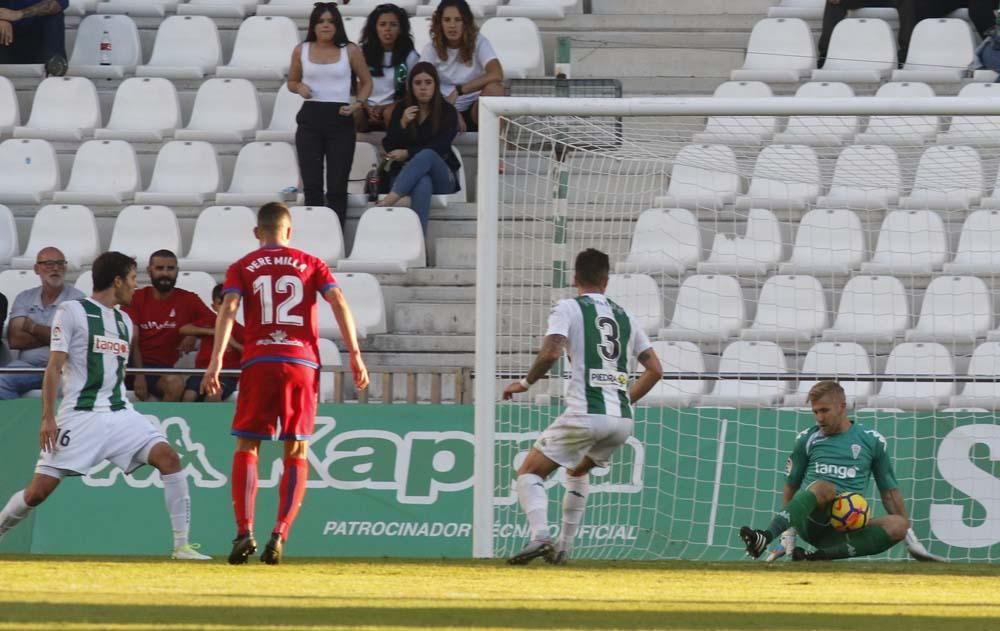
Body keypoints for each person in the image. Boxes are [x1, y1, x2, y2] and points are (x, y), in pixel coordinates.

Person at [0, 251, 210, 560]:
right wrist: (47, 416)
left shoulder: (125, 320)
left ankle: (182, 546)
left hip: (120, 413)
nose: (135, 286)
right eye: (131, 279)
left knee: (169, 458)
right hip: (80, 416)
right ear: (117, 280)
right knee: (37, 492)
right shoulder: (72, 311)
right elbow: (53, 366)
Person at [201, 201, 369, 566]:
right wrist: (354, 352)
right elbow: (338, 300)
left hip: (259, 360)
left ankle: (244, 530)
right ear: (289, 232)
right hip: (301, 362)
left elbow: (228, 308)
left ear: (257, 233)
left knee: (248, 444)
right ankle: (279, 534)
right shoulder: (312, 263)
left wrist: (215, 359)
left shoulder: (242, 266)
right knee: (296, 449)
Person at [502, 248, 663, 565]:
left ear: (574, 278)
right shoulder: (626, 316)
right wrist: (621, 400)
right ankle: (563, 548)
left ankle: (540, 537)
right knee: (576, 471)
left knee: (529, 473)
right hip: (621, 422)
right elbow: (656, 370)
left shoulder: (568, 307)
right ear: (606, 280)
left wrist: (524, 383)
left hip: (585, 414)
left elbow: (550, 354)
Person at [740, 380, 915, 562]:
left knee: (900, 525)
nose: (819, 418)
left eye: (824, 410)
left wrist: (909, 538)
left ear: (842, 407)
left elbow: (889, 493)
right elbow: (791, 487)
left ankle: (814, 557)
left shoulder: (872, 441)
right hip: (812, 522)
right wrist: (787, 536)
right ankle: (764, 537)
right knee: (825, 487)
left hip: (847, 526)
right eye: (815, 412)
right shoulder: (807, 439)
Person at [287, 2, 373, 228]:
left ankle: (336, 235)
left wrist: (358, 104)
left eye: (331, 21)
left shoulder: (350, 50)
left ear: (337, 25)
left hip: (340, 119)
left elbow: (366, 82)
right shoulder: (301, 50)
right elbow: (292, 81)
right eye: (321, 21)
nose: (326, 26)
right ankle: (315, 235)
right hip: (310, 119)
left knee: (337, 186)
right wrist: (299, 88)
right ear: (313, 25)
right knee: (312, 185)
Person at [123, 250, 216, 403]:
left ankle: (163, 426)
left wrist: (193, 333)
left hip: (161, 370)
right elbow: (133, 341)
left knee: (175, 383)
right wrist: (139, 376)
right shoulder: (136, 298)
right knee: (174, 381)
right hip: (131, 365)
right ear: (149, 270)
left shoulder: (188, 299)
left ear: (177, 271)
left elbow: (217, 323)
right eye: (159, 268)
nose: (165, 273)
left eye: (170, 268)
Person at [378, 62, 460, 234]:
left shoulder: (448, 111)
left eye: (428, 82)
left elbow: (441, 146)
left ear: (436, 85)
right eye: (418, 83)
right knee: (423, 182)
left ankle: (389, 200)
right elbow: (390, 146)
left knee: (428, 154)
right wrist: (402, 124)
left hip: (443, 177)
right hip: (405, 176)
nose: (423, 88)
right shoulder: (401, 109)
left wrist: (408, 153)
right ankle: (419, 242)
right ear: (411, 86)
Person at [0, 247, 85, 399]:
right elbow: (15, 339)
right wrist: (55, 335)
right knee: (1, 380)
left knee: (66, 391)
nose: (56, 268)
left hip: (64, 368)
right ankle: (17, 419)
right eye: (49, 264)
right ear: (36, 269)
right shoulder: (24, 297)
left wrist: (32, 327)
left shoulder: (78, 299)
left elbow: (73, 339)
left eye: (60, 264)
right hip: (27, 367)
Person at [419, 0, 504, 133]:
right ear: (439, 23)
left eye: (458, 20)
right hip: (443, 106)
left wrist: (460, 91)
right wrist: (450, 110)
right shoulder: (431, 48)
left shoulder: (479, 41)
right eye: (447, 20)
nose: (452, 25)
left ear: (466, 22)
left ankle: (495, 144)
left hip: (474, 106)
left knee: (495, 89)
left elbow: (497, 73)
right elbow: (419, 82)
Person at [355, 3, 418, 132]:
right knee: (354, 113)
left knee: (389, 113)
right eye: (382, 24)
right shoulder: (362, 53)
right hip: (368, 107)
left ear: (400, 29)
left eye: (393, 25)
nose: (387, 29)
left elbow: (412, 91)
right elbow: (359, 85)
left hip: (395, 106)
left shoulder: (409, 56)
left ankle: (394, 149)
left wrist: (387, 107)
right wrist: (367, 108)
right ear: (375, 28)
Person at [181, 283, 243, 403]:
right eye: (221, 303)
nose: (225, 307)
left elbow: (250, 353)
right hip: (201, 373)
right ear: (214, 306)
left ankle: (211, 422)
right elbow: (184, 329)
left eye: (228, 302)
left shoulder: (240, 330)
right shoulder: (209, 322)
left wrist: (234, 343)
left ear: (236, 305)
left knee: (213, 395)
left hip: (226, 375)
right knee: (188, 396)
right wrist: (212, 332)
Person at [0, 0, 67, 75]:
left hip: (38, 35)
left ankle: (54, 64)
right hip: (8, 36)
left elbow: (57, 4)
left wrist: (19, 14)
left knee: (54, 15)